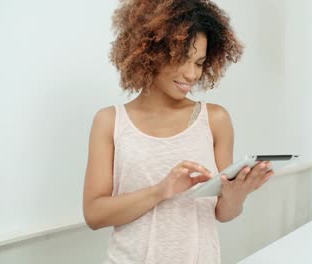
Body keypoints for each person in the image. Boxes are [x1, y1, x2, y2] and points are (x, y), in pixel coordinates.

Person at [82, 0, 275, 263]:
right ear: (150, 50)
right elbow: (94, 214)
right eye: (182, 59)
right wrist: (160, 191)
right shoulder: (110, 121)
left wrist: (236, 196)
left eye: (199, 62)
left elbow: (223, 212)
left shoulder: (215, 119)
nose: (191, 74)